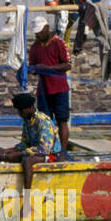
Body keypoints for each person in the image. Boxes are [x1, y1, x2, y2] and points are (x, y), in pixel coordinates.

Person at [0, 93, 67, 192]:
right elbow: (24, 144)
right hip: (36, 153)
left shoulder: (43, 121)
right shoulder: (27, 121)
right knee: (4, 155)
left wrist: (19, 153)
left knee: (27, 161)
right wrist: (9, 150)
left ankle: (26, 196)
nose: (19, 113)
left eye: (21, 111)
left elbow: (44, 149)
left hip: (52, 155)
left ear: (29, 108)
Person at [28, 17, 72, 155]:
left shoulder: (59, 43)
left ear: (46, 28)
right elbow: (32, 67)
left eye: (40, 32)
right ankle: (47, 150)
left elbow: (67, 64)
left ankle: (63, 151)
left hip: (59, 89)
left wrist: (49, 68)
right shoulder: (35, 47)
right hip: (43, 90)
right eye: (36, 33)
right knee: (44, 122)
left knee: (62, 120)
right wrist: (33, 69)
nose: (38, 35)